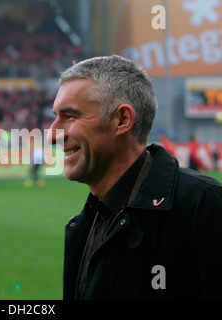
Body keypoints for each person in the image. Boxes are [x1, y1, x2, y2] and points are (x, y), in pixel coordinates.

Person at [48, 55, 222, 299]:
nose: (53, 134)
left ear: (122, 120)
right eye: (55, 116)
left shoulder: (203, 206)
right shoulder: (82, 225)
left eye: (70, 116)